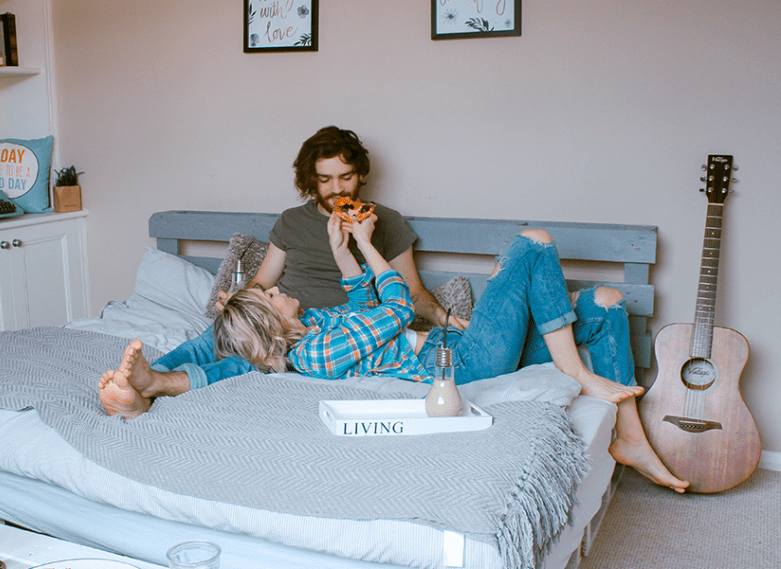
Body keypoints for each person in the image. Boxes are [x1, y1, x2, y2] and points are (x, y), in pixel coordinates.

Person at [209, 211, 690, 494]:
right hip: (460, 364)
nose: (277, 290)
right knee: (535, 242)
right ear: (272, 322)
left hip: (465, 346)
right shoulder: (317, 355)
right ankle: (575, 372)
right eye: (270, 296)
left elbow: (365, 303)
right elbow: (397, 308)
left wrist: (347, 250)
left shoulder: (314, 323)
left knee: (605, 303)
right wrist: (369, 245)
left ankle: (628, 435)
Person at [99, 126, 457, 411]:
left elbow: (411, 292)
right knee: (211, 339)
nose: (337, 189)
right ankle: (143, 381)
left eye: (346, 177)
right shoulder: (291, 222)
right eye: (325, 179)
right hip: (280, 318)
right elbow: (261, 282)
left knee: (249, 365)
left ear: (360, 175)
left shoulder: (384, 222)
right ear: (310, 181)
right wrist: (238, 302)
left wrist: (444, 318)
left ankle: (159, 386)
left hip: (330, 330)